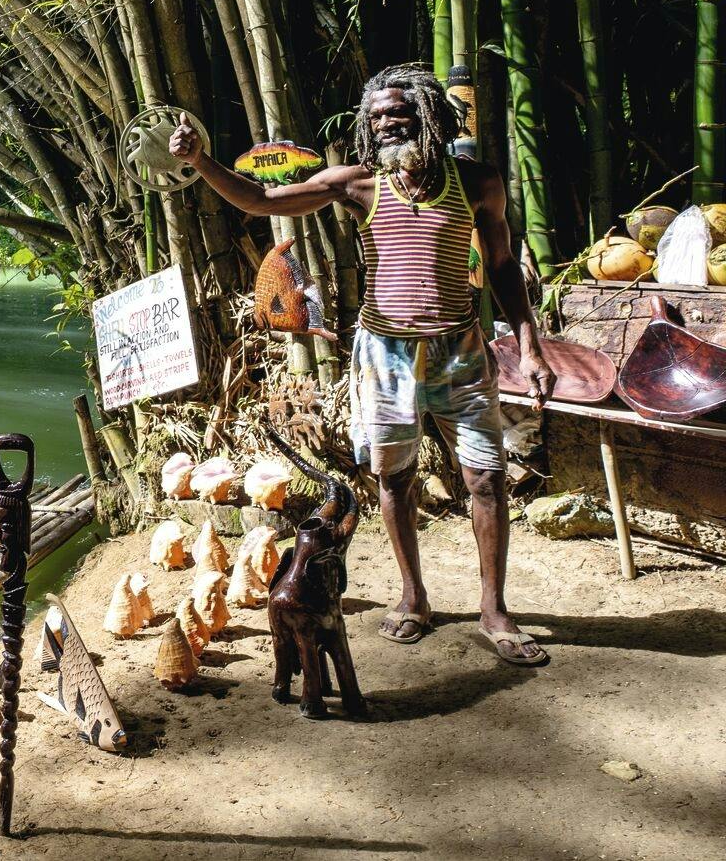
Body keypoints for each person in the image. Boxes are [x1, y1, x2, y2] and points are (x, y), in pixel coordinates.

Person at [168, 64, 556, 667]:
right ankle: (413, 598)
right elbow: (262, 199)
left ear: (429, 113)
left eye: (398, 110)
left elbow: (503, 268)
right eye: (375, 114)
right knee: (394, 478)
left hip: (460, 351)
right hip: (385, 355)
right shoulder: (357, 185)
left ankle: (494, 610)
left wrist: (530, 345)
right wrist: (200, 162)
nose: (385, 121)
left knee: (485, 479)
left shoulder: (478, 182)